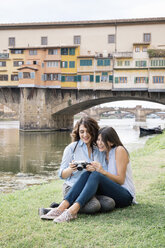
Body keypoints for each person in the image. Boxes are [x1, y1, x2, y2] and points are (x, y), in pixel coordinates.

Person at [41, 126, 135, 223]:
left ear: (111, 142)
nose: (99, 143)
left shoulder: (119, 150)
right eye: (98, 139)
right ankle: (61, 207)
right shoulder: (104, 153)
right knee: (88, 173)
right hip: (112, 191)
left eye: (103, 140)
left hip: (125, 195)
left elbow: (121, 180)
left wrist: (102, 171)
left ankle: (72, 211)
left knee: (96, 174)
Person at [40, 118, 115, 219]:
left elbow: (104, 172)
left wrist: (96, 170)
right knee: (94, 206)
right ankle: (63, 208)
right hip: (72, 187)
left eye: (88, 131)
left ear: (93, 131)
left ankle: (57, 207)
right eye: (82, 131)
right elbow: (61, 175)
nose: (85, 135)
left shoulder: (98, 150)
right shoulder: (71, 148)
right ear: (78, 132)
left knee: (110, 203)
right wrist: (71, 169)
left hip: (91, 189)